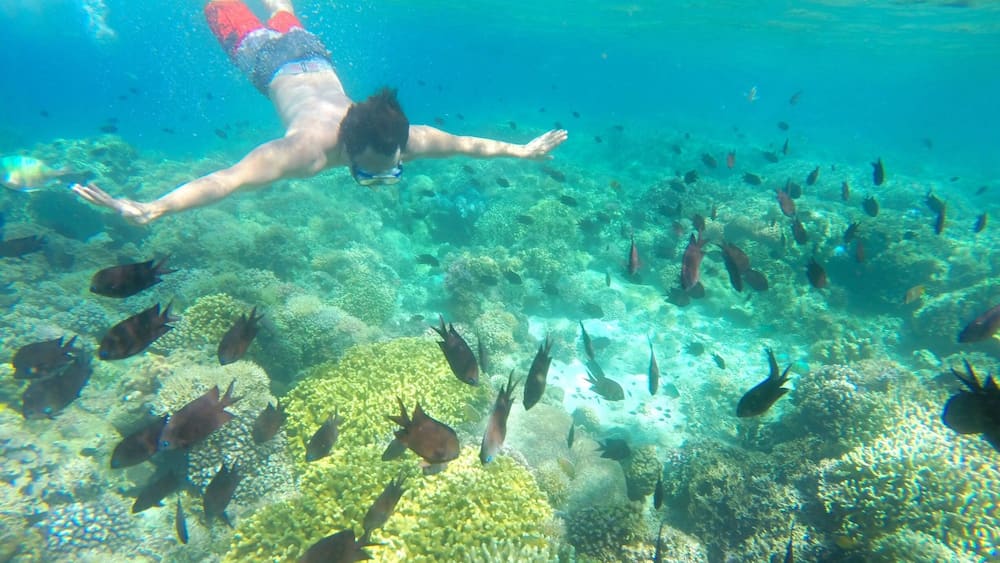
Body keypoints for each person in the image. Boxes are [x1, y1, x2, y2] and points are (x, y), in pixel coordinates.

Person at [73, 0, 568, 225]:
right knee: (219, 5)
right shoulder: (306, 150)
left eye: (388, 172)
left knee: (283, 12)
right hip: (264, 58)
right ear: (346, 147)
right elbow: (228, 180)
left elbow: (467, 145)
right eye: (365, 173)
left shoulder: (405, 140)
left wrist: (522, 152)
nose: (379, 178)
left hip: (313, 52)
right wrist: (157, 205)